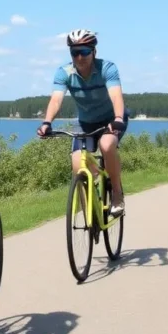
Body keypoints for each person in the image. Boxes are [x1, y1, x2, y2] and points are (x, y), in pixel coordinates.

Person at [36, 29, 128, 216]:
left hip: (111, 119)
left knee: (106, 145)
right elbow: (56, 100)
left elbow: (116, 96)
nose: (80, 57)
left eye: (85, 51)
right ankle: (89, 210)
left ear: (94, 51)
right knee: (77, 163)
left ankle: (117, 192)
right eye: (75, 52)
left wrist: (118, 119)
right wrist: (46, 122)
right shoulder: (64, 73)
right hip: (86, 122)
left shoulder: (107, 68)